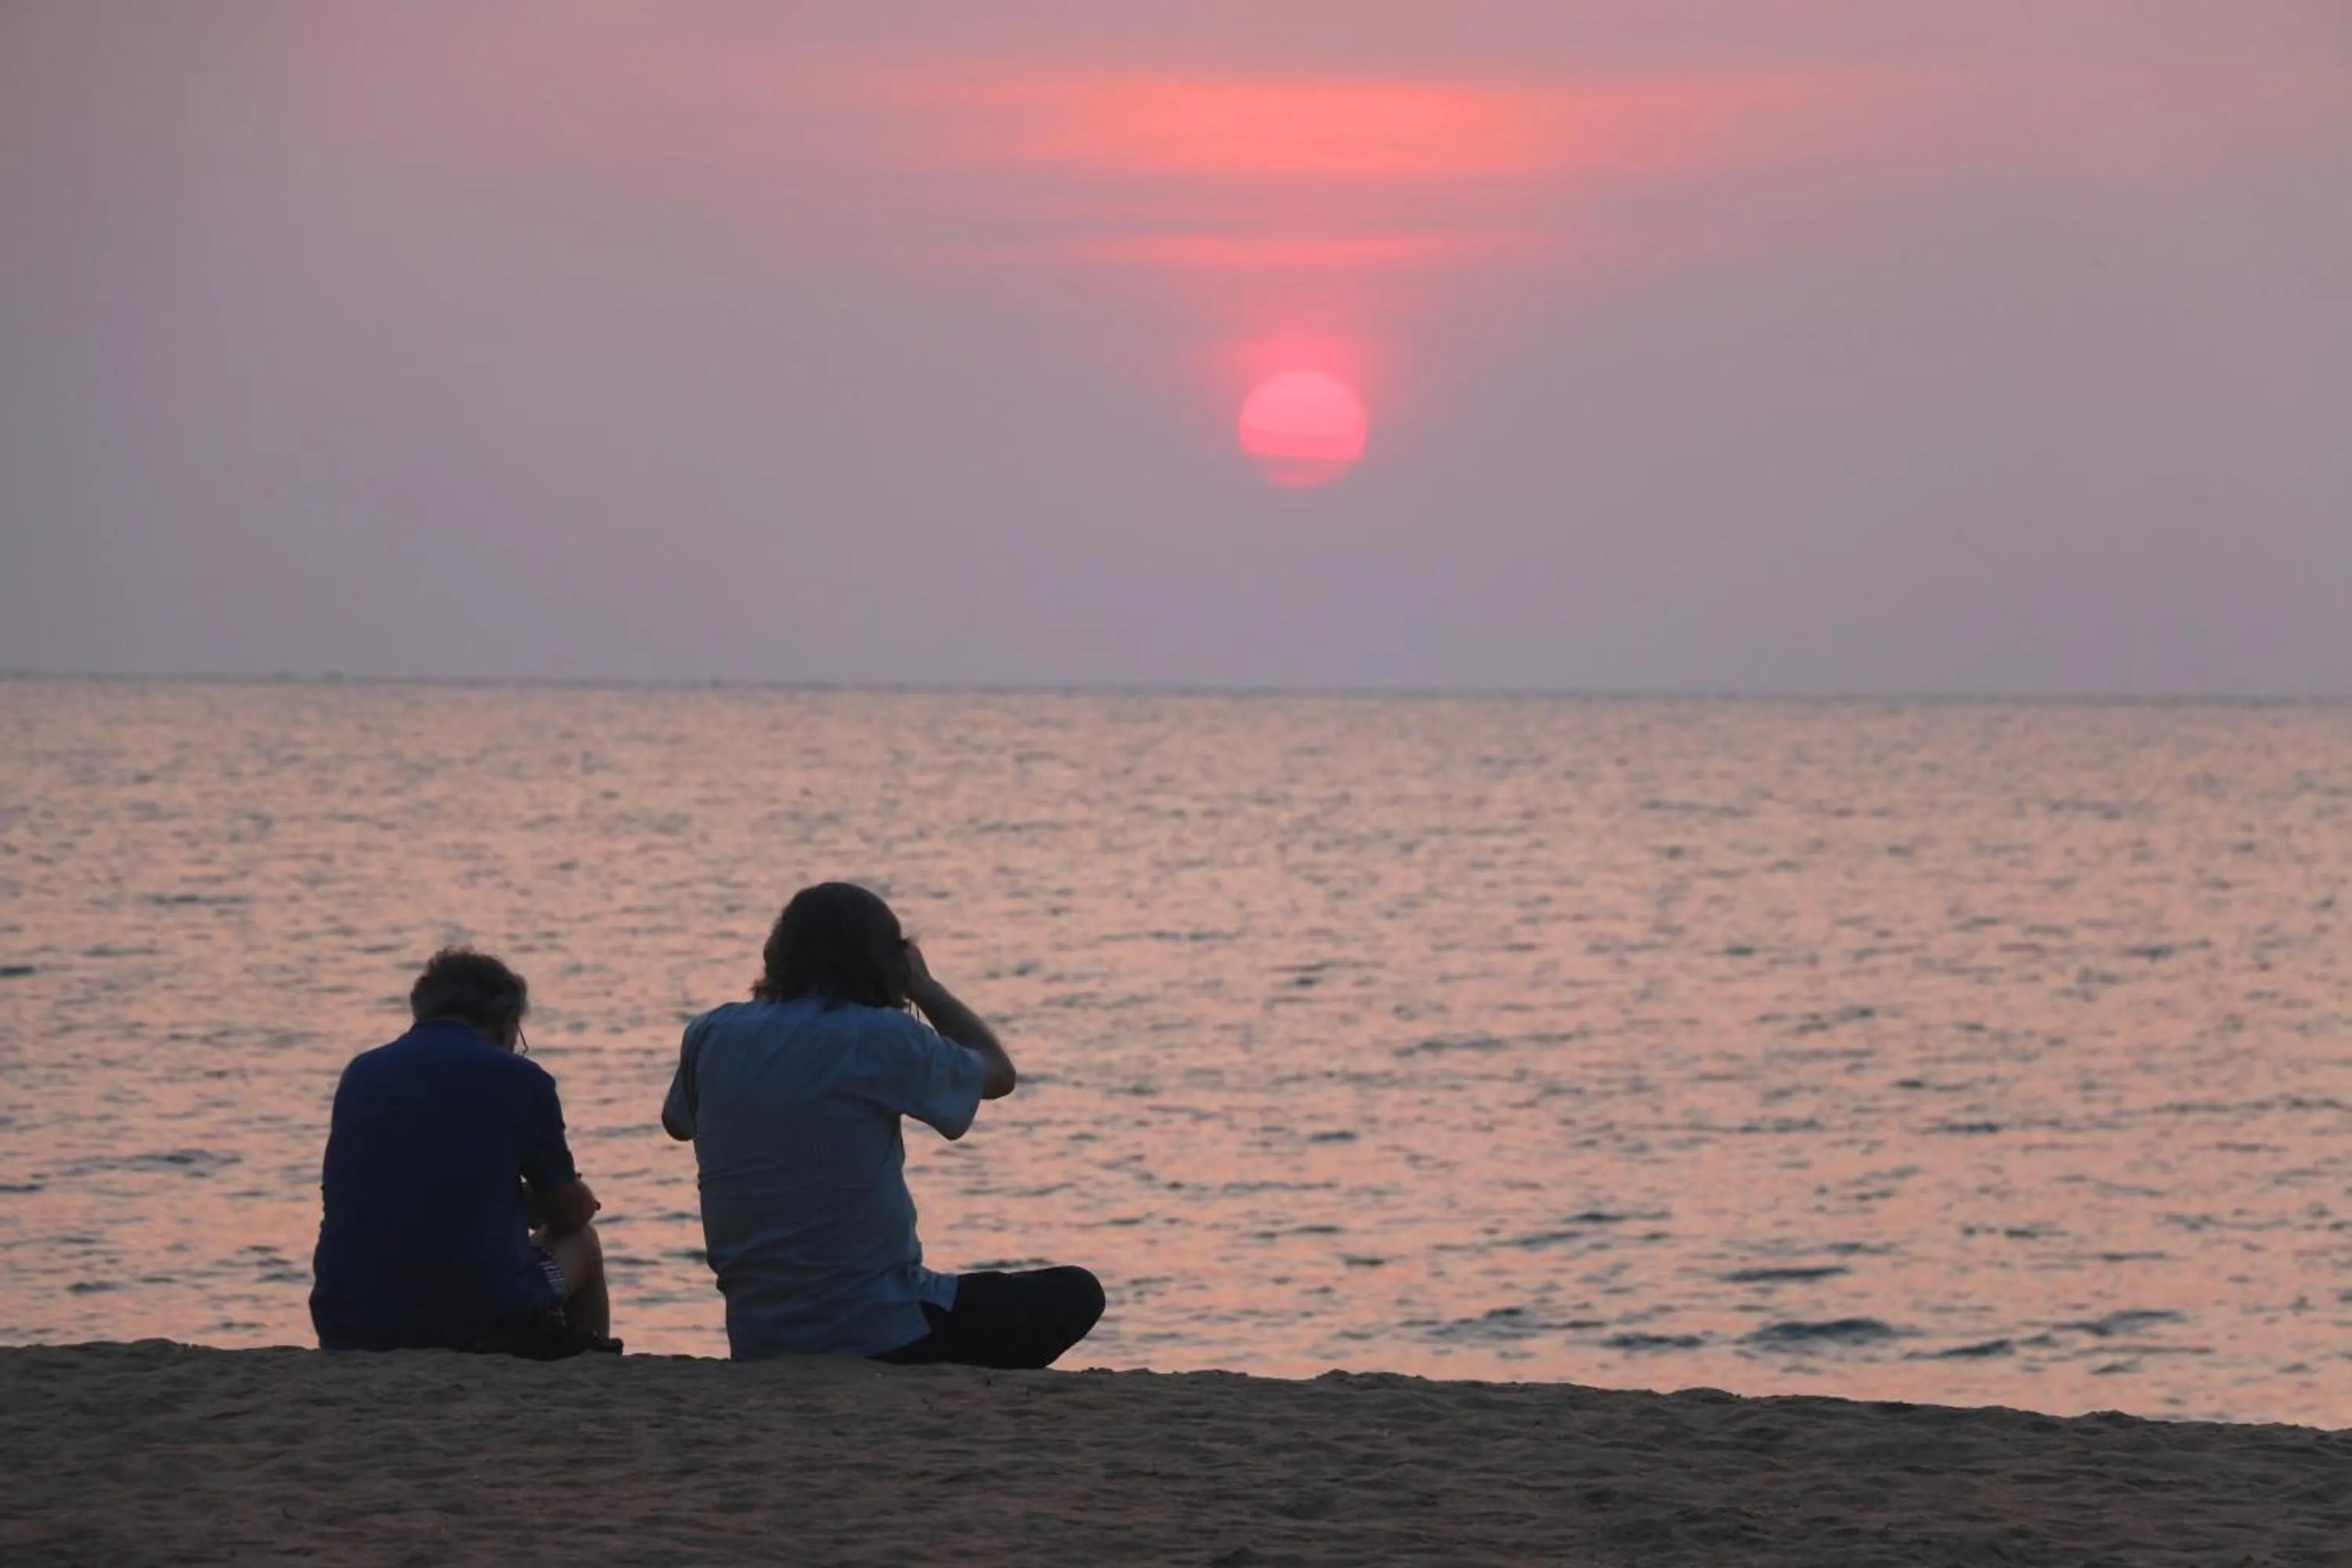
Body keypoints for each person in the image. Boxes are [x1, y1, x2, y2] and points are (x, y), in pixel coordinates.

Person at [663, 882, 1103, 1367]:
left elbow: (677, 1123)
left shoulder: (712, 1031)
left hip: (759, 1336)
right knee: (1076, 1291)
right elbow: (997, 1074)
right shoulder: (878, 1036)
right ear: (887, 963)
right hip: (881, 1331)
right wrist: (925, 988)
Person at [311, 947, 615, 1358]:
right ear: (506, 1023)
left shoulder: (362, 1073)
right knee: (583, 1243)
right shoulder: (518, 1079)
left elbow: (413, 1184)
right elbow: (567, 1211)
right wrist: (570, 1199)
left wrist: (512, 1202)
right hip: (475, 1317)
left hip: (349, 1319)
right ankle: (589, 1364)